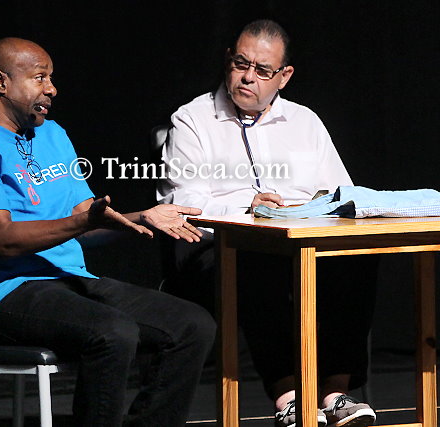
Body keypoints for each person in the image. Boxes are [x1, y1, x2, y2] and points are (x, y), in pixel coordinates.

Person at [0, 37, 216, 427]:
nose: (51, 89)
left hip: (67, 278)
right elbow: (2, 239)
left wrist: (143, 217)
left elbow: (85, 217)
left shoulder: (52, 134)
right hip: (1, 292)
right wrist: (84, 222)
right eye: (40, 78)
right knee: (113, 332)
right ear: (0, 82)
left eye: (51, 78)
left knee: (191, 325)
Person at [157, 20, 378, 427]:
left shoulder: (305, 122)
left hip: (300, 237)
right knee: (258, 257)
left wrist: (316, 209)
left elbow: (342, 193)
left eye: (262, 70)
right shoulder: (192, 119)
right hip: (213, 246)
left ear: (284, 76)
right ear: (228, 60)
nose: (248, 77)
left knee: (355, 254)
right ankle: (289, 396)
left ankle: (334, 393)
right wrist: (247, 209)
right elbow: (185, 204)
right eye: (241, 64)